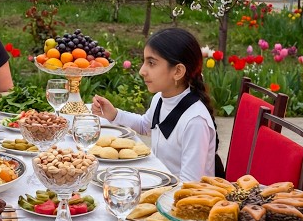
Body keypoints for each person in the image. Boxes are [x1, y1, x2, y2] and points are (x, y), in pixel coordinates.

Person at [91, 27, 220, 183]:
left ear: (178, 71)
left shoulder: (195, 121)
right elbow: (146, 125)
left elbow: (190, 184)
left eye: (151, 63)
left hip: (180, 200)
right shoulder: (160, 98)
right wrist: (114, 114)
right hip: (161, 183)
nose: (142, 71)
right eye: (144, 62)